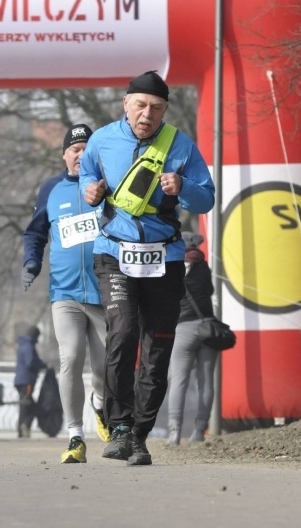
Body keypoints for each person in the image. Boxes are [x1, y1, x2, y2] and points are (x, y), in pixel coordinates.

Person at [80, 71, 215, 465]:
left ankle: (140, 435)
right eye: (140, 105)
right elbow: (87, 173)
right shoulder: (103, 140)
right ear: (126, 104)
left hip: (165, 257)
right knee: (121, 333)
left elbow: (205, 198)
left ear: (164, 111)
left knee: (158, 346)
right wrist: (88, 190)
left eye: (155, 108)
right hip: (115, 252)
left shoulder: (181, 146)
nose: (146, 114)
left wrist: (183, 188)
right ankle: (119, 426)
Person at [22, 123, 109, 463]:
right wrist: (31, 264)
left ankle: (99, 404)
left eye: (87, 149)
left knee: (105, 370)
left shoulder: (108, 187)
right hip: (66, 294)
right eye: (75, 149)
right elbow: (34, 233)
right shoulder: (51, 189)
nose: (80, 155)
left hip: (104, 294)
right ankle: (75, 435)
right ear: (65, 155)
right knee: (69, 358)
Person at [166, 231, 217, 446]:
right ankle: (199, 431)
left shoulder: (172, 266)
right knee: (205, 382)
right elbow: (210, 290)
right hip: (206, 327)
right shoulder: (203, 266)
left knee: (178, 381)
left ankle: (174, 433)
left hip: (183, 329)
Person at [13, 323, 44, 438]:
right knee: (28, 405)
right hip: (26, 381)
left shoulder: (23, 344)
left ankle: (22, 429)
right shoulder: (28, 346)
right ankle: (24, 426)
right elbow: (30, 362)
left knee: (25, 405)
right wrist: (42, 365)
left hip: (21, 380)